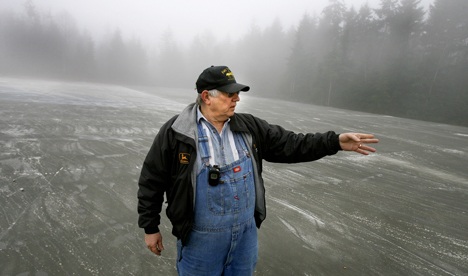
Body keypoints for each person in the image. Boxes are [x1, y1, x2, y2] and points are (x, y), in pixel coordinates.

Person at [137, 65, 379, 275]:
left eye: (237, 94)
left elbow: (292, 144)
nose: (237, 99)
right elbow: (152, 180)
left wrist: (334, 141)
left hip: (245, 239)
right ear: (206, 96)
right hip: (201, 242)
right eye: (229, 94)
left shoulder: (249, 127)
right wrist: (150, 227)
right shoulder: (176, 132)